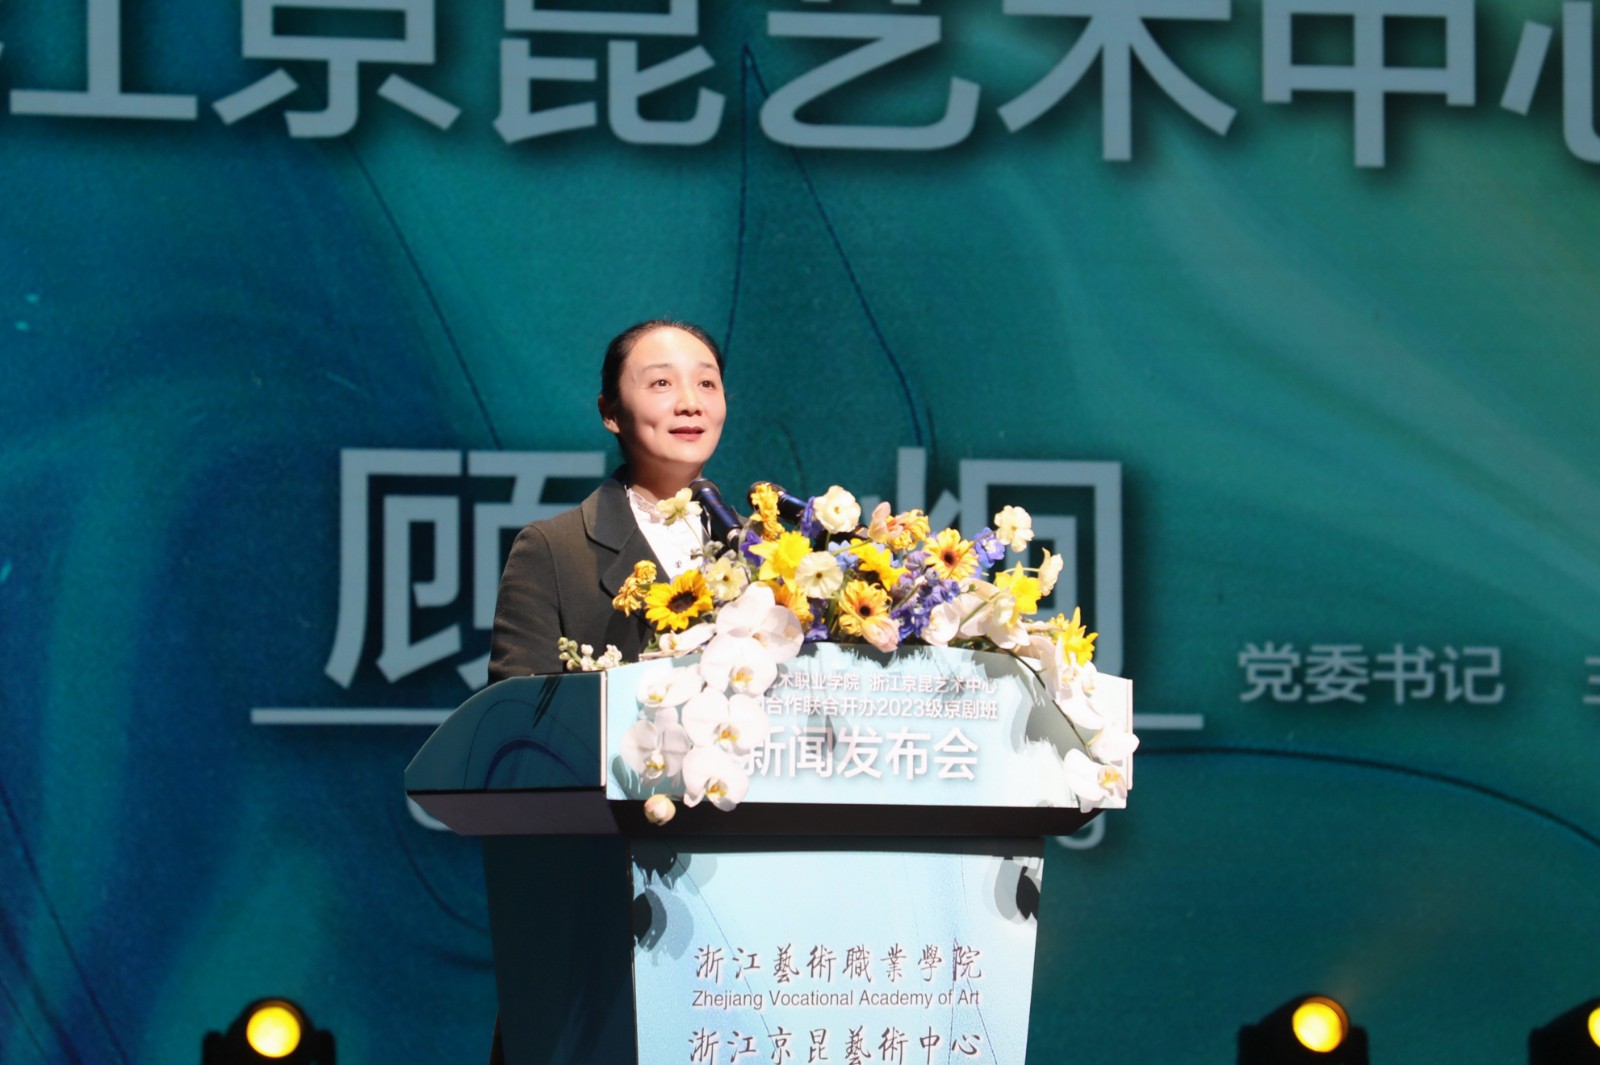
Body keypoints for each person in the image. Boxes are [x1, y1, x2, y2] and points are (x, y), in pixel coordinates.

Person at [488, 318, 727, 682]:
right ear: (610, 413)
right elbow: (518, 710)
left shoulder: (762, 552)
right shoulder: (555, 551)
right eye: (661, 383)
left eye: (706, 383)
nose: (691, 403)